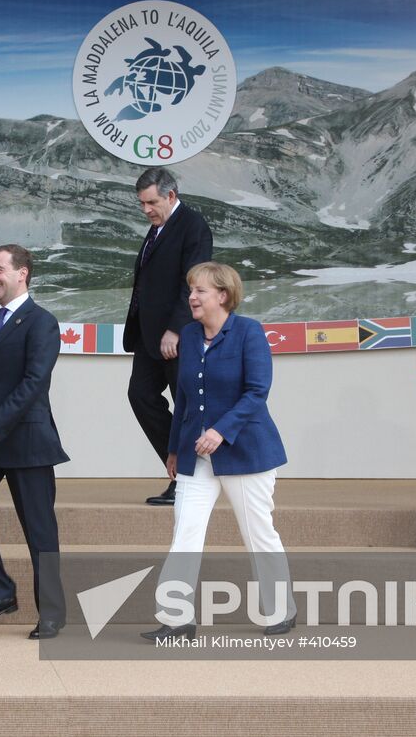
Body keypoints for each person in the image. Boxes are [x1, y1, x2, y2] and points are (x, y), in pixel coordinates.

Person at [142, 262, 295, 639]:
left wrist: (221, 431)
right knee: (185, 533)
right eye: (191, 290)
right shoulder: (190, 336)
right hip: (197, 454)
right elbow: (183, 397)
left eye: (200, 291)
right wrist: (175, 448)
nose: (191, 297)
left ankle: (281, 611)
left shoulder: (249, 332)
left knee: (258, 532)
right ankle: (177, 619)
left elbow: (256, 392)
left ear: (223, 296)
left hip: (247, 452)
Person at [0, 245, 69, 640]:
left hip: (27, 440)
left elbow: (34, 383)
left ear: (22, 273)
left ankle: (53, 614)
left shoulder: (42, 322)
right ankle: (0, 592)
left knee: (40, 532)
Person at [123, 167, 214, 506]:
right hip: (148, 337)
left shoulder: (193, 226)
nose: (146, 210)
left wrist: (176, 328)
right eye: (142, 204)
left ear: (171, 195)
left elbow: (194, 282)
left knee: (186, 406)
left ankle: (188, 481)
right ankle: (178, 467)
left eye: (151, 202)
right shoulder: (157, 229)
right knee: (140, 396)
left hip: (179, 336)